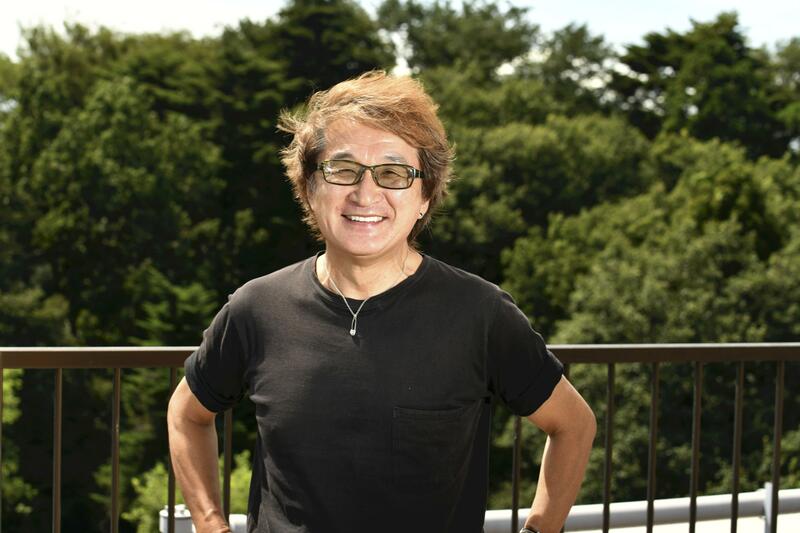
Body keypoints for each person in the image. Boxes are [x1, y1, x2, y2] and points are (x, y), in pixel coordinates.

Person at [167, 71, 596, 533]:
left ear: (425, 196)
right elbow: (187, 414)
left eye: (393, 173)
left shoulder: (479, 314)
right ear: (309, 189)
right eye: (342, 169)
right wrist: (210, 525)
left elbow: (573, 425)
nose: (366, 193)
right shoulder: (257, 308)